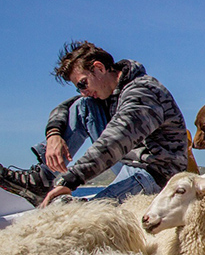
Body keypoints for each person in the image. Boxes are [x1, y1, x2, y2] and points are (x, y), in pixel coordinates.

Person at [0, 41, 188, 208]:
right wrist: (54, 134)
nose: (83, 91)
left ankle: (75, 206)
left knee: (88, 218)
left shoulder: (144, 92)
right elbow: (66, 107)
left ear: (99, 68)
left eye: (83, 84)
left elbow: (115, 140)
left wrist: (70, 180)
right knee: (83, 106)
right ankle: (41, 179)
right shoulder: (107, 94)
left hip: (156, 174)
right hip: (126, 163)